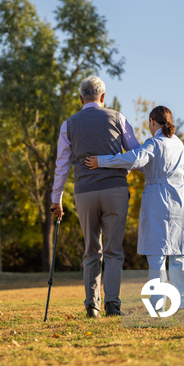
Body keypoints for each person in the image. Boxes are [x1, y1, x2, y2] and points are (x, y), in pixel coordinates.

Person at [85, 106, 184, 311]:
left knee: (157, 254)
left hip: (158, 200)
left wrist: (102, 161)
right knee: (179, 253)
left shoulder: (154, 143)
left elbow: (134, 158)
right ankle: (183, 304)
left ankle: (158, 305)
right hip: (179, 199)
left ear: (152, 122)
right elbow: (144, 164)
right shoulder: (179, 144)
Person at [50, 76, 140, 318]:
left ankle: (92, 305)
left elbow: (62, 165)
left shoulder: (68, 124)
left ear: (81, 99)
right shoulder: (118, 118)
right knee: (113, 250)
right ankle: (112, 304)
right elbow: (135, 154)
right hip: (115, 191)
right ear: (103, 97)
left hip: (85, 193)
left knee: (91, 249)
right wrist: (127, 167)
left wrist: (56, 199)